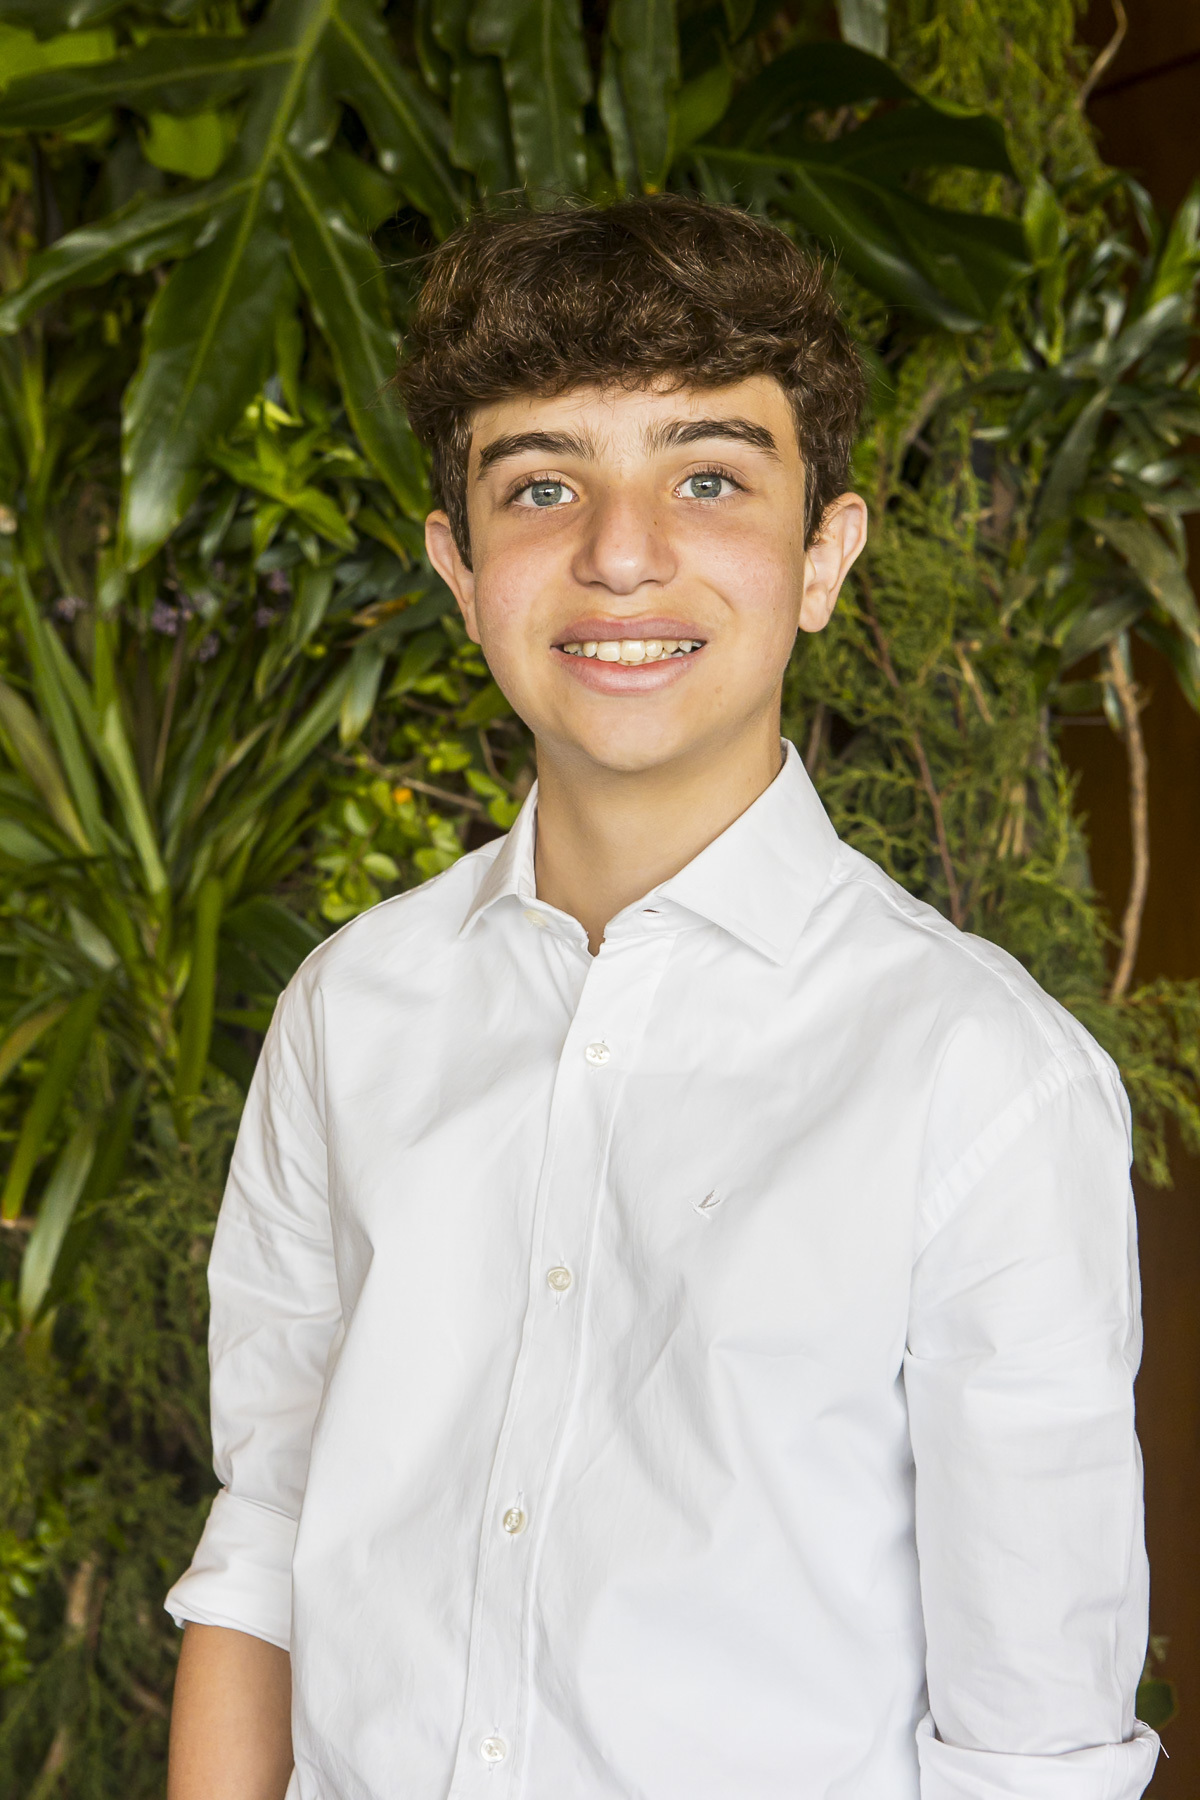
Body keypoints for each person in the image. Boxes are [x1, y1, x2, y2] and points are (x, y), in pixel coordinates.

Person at [165, 195, 1158, 1800]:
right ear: (460, 570)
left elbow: (1029, 1751)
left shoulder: (981, 1078)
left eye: (707, 478)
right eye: (542, 486)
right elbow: (271, 1533)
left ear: (824, 555)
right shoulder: (350, 1014)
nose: (620, 554)